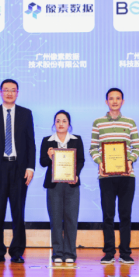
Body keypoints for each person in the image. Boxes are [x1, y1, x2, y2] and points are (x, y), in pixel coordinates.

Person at [0, 79, 36, 264]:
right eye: (6, 90)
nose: (10, 93)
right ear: (0, 92)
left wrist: (30, 167)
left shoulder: (26, 114)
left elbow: (31, 143)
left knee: (18, 212)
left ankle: (17, 252)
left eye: (13, 90)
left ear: (17, 93)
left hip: (19, 169)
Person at [89, 88, 139, 264]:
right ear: (106, 102)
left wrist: (130, 161)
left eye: (118, 98)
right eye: (111, 98)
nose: (115, 101)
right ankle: (109, 252)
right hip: (106, 176)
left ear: (122, 101)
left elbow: (137, 147)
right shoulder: (98, 122)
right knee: (108, 215)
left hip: (127, 175)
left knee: (125, 215)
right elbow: (93, 148)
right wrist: (100, 162)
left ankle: (125, 253)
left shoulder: (130, 122)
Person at [38, 110, 85, 264]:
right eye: (58, 121)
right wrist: (49, 156)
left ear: (69, 124)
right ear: (54, 124)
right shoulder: (47, 140)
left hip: (71, 185)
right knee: (56, 220)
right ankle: (57, 253)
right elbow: (42, 162)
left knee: (71, 219)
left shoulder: (76, 140)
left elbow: (81, 160)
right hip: (54, 185)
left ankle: (70, 253)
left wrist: (76, 174)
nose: (61, 124)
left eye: (64, 121)